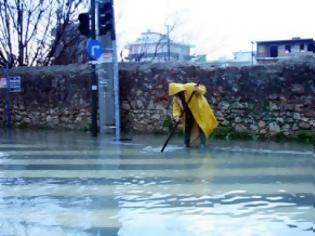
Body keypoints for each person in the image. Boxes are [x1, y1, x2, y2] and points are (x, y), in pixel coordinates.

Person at [168, 82, 218, 148]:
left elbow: (203, 89)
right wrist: (177, 117)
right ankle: (186, 144)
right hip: (188, 114)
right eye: (175, 94)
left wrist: (198, 90)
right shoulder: (176, 98)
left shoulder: (190, 86)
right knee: (187, 128)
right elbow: (176, 108)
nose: (177, 95)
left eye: (177, 93)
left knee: (201, 127)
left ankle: (202, 144)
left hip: (199, 111)